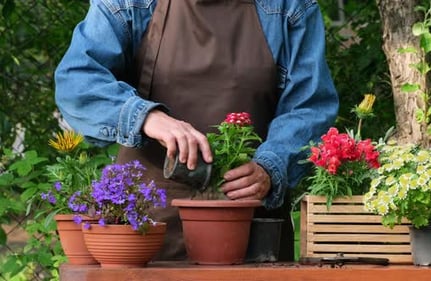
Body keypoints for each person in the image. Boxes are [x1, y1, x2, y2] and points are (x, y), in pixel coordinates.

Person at [54, 0, 339, 261]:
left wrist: (271, 167)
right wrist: (145, 117)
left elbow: (310, 105)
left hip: (249, 225)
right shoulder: (127, 5)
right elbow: (77, 80)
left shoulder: (287, 7)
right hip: (145, 226)